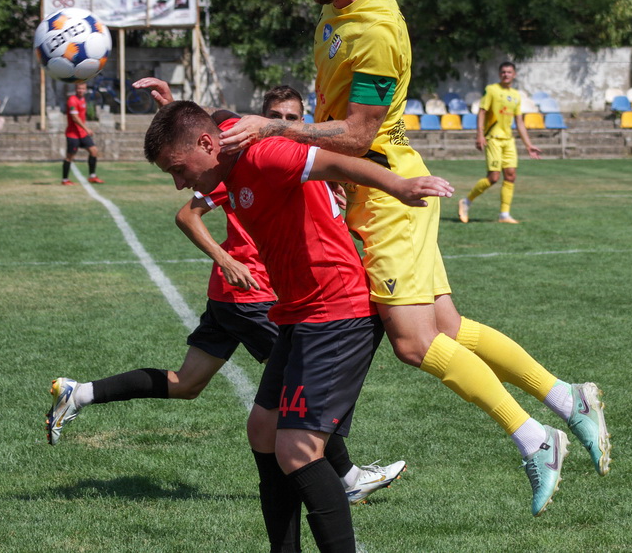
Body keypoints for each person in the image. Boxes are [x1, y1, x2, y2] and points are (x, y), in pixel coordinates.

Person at [218, 0, 610, 516]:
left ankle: (535, 439)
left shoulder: (375, 30)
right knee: (447, 328)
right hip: (374, 186)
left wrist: (276, 128)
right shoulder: (337, 10)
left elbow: (357, 133)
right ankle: (567, 399)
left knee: (413, 341)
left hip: (388, 196)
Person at [45, 87, 405, 508]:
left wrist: (172, 105)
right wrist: (226, 258)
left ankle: (81, 393)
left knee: (187, 383)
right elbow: (190, 197)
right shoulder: (241, 159)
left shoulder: (284, 155)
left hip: (233, 296)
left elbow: (203, 124)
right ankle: (347, 477)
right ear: (256, 120)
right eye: (273, 116)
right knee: (297, 392)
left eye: (291, 118)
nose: (282, 124)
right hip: (253, 294)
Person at [143, 100, 452, 552]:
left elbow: (335, 161)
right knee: (263, 431)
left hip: (338, 312)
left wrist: (399, 185)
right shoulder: (227, 149)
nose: (178, 183)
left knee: (298, 450)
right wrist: (170, 103)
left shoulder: (262, 154)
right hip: (298, 314)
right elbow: (205, 117)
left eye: (177, 169)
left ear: (207, 145)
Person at [458, 61, 541, 224]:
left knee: (511, 175)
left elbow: (519, 121)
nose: (506, 75)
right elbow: (482, 112)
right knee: (493, 177)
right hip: (493, 138)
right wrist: (479, 135)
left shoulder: (516, 95)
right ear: (499, 74)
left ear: (514, 74)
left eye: (509, 72)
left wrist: (528, 145)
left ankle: (504, 214)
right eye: (503, 72)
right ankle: (466, 201)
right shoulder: (491, 90)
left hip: (508, 140)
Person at [61, 82, 104, 185]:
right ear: (76, 89)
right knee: (70, 157)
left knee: (94, 151)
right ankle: (65, 180)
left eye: (83, 89)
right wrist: (87, 128)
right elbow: (75, 118)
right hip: (73, 134)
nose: (81, 90)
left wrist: (84, 130)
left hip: (82, 133)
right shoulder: (72, 100)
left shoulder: (83, 99)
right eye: (79, 88)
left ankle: (92, 176)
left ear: (85, 89)